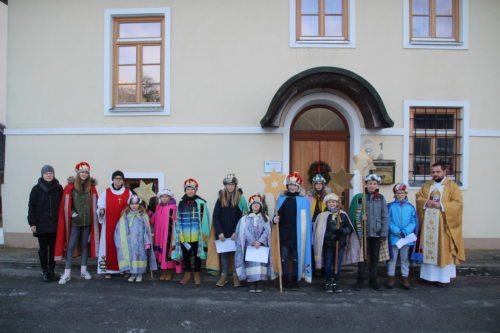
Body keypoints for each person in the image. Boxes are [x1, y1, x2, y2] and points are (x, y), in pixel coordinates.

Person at [416, 162, 465, 287]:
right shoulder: (427, 185)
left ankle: (442, 278)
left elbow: (458, 204)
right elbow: (418, 198)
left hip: (443, 227)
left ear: (444, 172)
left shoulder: (452, 186)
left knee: (442, 250)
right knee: (428, 250)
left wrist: (442, 205)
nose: (435, 174)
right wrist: (426, 202)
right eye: (433, 172)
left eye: (438, 172)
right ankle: (428, 276)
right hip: (428, 226)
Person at [55, 162, 99, 285]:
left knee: (85, 246)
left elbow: (96, 203)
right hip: (75, 222)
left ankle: (84, 270)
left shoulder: (92, 187)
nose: (84, 174)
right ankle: (67, 273)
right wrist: (72, 213)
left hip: (87, 222)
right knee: (71, 246)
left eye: (86, 172)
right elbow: (65, 203)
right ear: (78, 173)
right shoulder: (70, 187)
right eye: (82, 172)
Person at [349, 173, 388, 291]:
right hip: (363, 233)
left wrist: (383, 233)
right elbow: (354, 213)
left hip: (376, 233)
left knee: (374, 258)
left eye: (374, 184)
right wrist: (361, 217)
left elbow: (385, 216)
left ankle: (373, 280)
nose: (372, 186)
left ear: (377, 185)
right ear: (365, 184)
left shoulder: (380, 198)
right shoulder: (360, 197)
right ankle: (360, 280)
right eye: (370, 183)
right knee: (362, 258)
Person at [313, 193, 359, 293]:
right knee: (328, 263)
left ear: (337, 203)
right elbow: (319, 232)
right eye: (330, 202)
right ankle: (328, 281)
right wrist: (331, 236)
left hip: (340, 244)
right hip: (328, 245)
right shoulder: (322, 216)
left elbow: (349, 228)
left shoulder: (343, 215)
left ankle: (336, 282)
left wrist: (342, 232)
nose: (332, 204)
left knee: (337, 264)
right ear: (326, 204)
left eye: (334, 202)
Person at [273, 172, 312, 289]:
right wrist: (274, 219)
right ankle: (284, 279)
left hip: (297, 234)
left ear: (299, 187)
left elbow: (306, 219)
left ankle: (295, 279)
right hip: (284, 233)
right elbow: (277, 215)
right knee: (284, 257)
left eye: (295, 185)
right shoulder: (281, 199)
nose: (292, 187)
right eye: (290, 185)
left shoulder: (303, 200)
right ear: (287, 186)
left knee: (296, 258)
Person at [209, 173, 248, 287]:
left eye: (232, 185)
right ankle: (224, 276)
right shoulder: (221, 198)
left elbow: (244, 217)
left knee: (237, 255)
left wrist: (237, 231)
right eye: (228, 185)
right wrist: (219, 231)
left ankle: (236, 276)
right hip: (223, 232)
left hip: (236, 233)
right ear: (225, 185)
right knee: (224, 256)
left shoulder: (241, 198)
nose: (230, 187)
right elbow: (216, 216)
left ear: (235, 186)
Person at [171, 178, 210, 285]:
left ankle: (197, 273)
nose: (190, 191)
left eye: (192, 189)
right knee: (186, 255)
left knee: (198, 255)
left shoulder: (201, 203)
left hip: (198, 234)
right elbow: (177, 219)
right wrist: (179, 234)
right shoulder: (181, 203)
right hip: (185, 234)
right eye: (187, 189)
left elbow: (205, 220)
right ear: (185, 190)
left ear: (195, 190)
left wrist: (204, 234)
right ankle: (187, 273)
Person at [28, 165, 63, 282]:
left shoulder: (59, 188)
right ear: (42, 175)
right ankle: (45, 271)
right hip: (41, 225)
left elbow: (64, 204)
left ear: (54, 174)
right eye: (46, 173)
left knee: (53, 249)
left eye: (51, 173)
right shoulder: (36, 189)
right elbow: (31, 207)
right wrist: (32, 223)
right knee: (43, 249)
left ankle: (52, 270)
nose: (49, 175)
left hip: (55, 225)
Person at [234, 194, 275, 293]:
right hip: (250, 247)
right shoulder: (244, 219)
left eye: (258, 204)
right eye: (254, 204)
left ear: (261, 206)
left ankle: (260, 282)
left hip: (261, 246)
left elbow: (268, 231)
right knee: (250, 264)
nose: (256, 206)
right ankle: (252, 283)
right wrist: (252, 241)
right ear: (250, 206)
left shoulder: (266, 218)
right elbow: (244, 232)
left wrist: (260, 241)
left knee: (261, 264)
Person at [114, 195, 157, 283]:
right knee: (131, 257)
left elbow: (146, 229)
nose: (134, 206)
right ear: (129, 205)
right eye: (132, 204)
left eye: (136, 204)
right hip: (130, 241)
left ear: (139, 204)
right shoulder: (126, 215)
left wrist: (147, 241)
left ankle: (140, 273)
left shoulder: (143, 215)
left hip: (140, 241)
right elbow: (121, 228)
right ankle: (133, 273)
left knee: (140, 256)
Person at [97, 170, 131, 279]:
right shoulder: (106, 192)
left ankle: (124, 268)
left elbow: (132, 206)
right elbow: (100, 205)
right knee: (109, 245)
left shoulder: (128, 192)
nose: (118, 180)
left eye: (120, 179)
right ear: (112, 180)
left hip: (123, 225)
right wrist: (101, 211)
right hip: (109, 225)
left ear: (123, 180)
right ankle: (108, 269)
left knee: (123, 246)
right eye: (116, 178)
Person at [386, 183, 417, 290]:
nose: (400, 195)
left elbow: (413, 221)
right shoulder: (390, 206)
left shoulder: (410, 207)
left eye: (402, 193)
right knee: (392, 258)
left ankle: (405, 277)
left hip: (406, 238)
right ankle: (391, 276)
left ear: (406, 194)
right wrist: (396, 231)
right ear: (395, 194)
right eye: (398, 193)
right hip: (394, 237)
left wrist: (406, 231)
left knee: (404, 258)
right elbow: (388, 220)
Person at [151, 188, 181, 281]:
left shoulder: (173, 207)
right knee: (162, 253)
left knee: (168, 253)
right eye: (162, 197)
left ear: (169, 197)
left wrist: (174, 235)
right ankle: (164, 271)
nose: (164, 198)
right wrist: (149, 213)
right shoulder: (158, 207)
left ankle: (169, 272)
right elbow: (153, 221)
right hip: (160, 235)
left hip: (169, 234)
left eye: (166, 197)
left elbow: (175, 221)